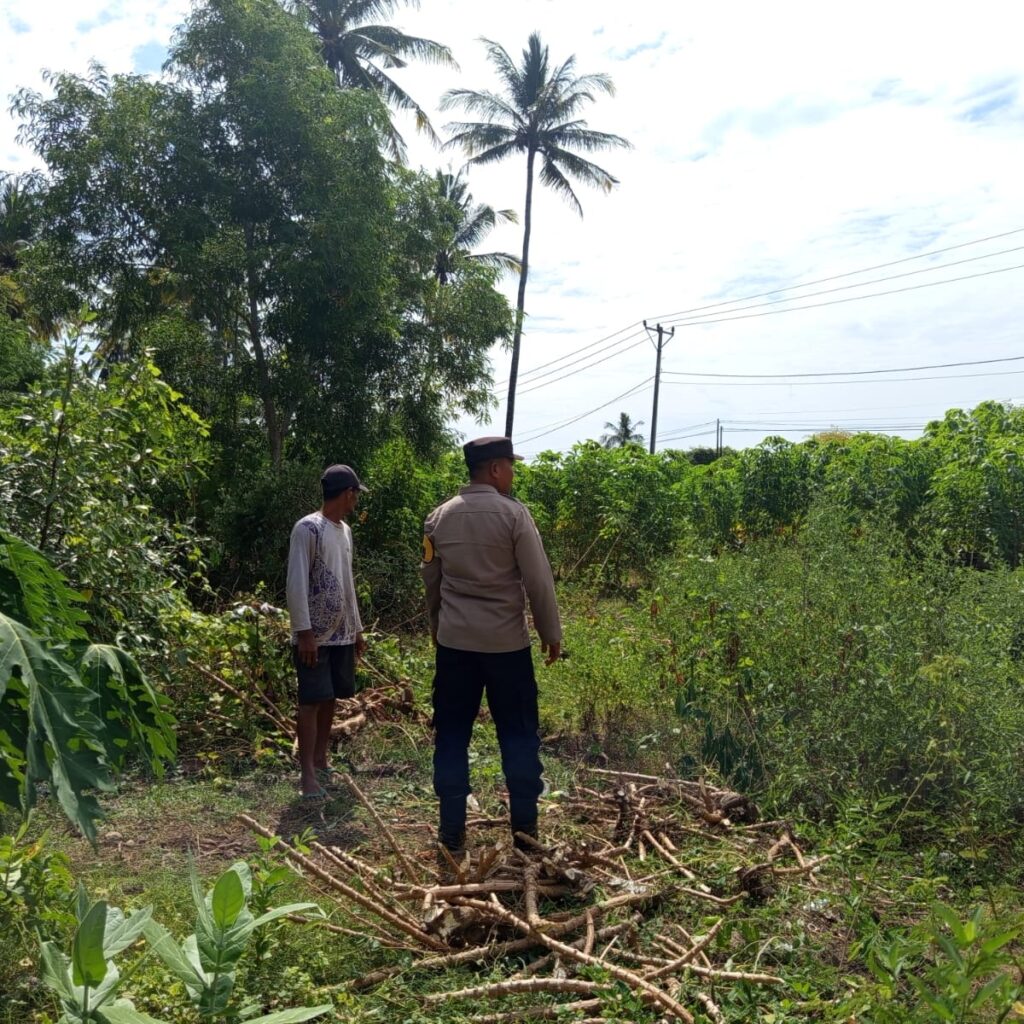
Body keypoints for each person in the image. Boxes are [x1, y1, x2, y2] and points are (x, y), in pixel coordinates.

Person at [421, 436, 562, 857]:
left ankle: (451, 831)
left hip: (455, 647)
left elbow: (432, 581)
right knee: (517, 735)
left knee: (451, 735)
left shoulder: (438, 518)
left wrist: (438, 627)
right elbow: (538, 580)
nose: (512, 474)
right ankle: (524, 830)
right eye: (510, 466)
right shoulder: (514, 515)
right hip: (506, 648)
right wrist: (550, 632)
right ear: (496, 469)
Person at [286, 464, 368, 798]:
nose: (356, 501)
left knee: (331, 695)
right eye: (356, 494)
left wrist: (357, 629)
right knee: (311, 700)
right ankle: (306, 774)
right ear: (348, 493)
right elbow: (296, 582)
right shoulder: (308, 528)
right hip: (315, 637)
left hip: (342, 633)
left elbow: (348, 581)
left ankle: (321, 760)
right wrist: (304, 632)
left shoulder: (344, 531)